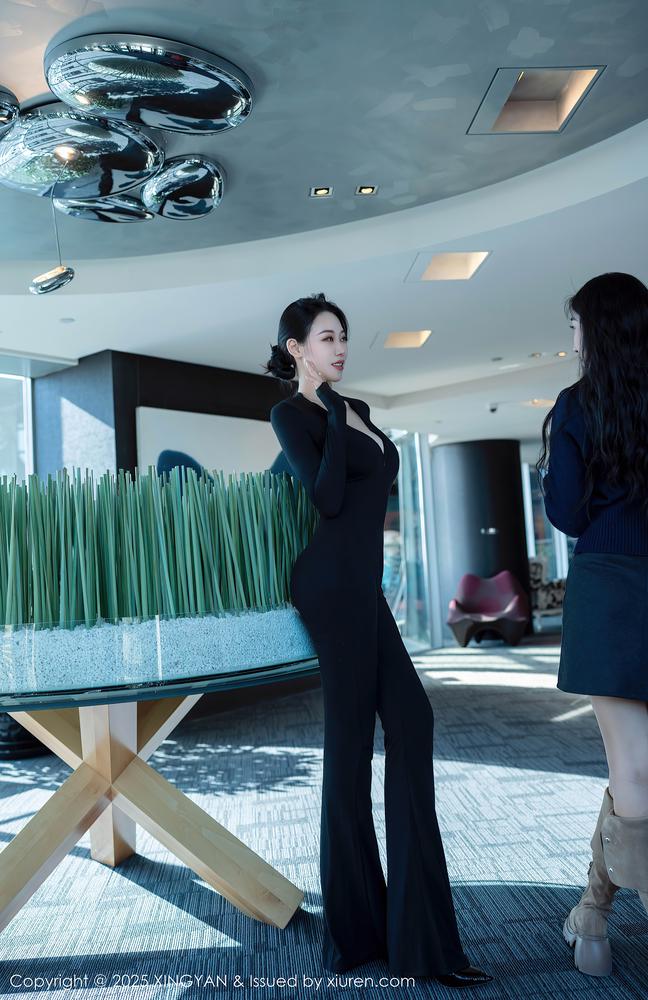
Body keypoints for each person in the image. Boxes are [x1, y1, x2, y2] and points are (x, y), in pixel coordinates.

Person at [264, 292, 493, 988]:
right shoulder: (293, 415)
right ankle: (357, 933)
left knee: (412, 720)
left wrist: (344, 412)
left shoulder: (354, 407)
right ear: (296, 348)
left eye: (343, 337)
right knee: (349, 751)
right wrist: (332, 414)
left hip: (361, 585)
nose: (340, 348)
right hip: (329, 587)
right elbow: (328, 499)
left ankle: (418, 936)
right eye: (326, 338)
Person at [537, 272, 648, 978]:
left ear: (596, 332)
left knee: (632, 770)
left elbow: (568, 513)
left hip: (609, 586)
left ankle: (596, 920)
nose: (572, 338)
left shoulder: (577, 405)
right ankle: (592, 915)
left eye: (575, 325)